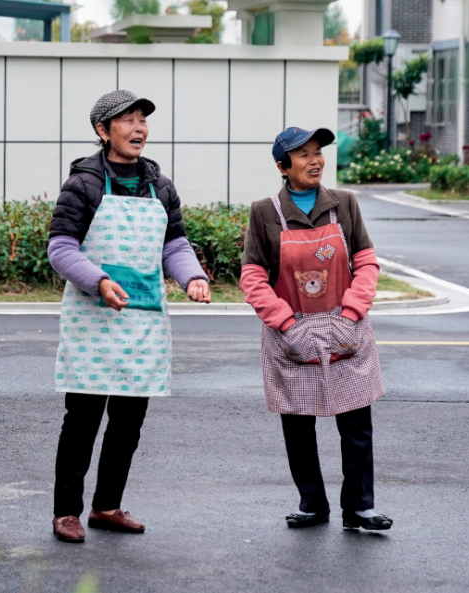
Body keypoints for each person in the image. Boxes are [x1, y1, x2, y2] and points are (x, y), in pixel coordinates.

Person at [47, 90, 211, 543]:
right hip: (92, 321)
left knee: (127, 424)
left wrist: (192, 276)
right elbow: (61, 248)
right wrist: (98, 281)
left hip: (142, 322)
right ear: (103, 130)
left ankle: (106, 506)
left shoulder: (160, 185)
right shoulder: (83, 184)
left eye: (143, 119)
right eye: (128, 120)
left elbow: (174, 243)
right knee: (81, 423)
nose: (139, 128)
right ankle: (66, 511)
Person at [241, 126, 392, 531]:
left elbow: (366, 263)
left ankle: (359, 507)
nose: (315, 160)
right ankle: (312, 504)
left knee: (356, 424)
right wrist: (285, 323)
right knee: (297, 424)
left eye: (318, 152)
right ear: (282, 166)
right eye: (303, 154)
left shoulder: (345, 204)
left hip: (346, 325)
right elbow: (253, 277)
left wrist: (351, 313)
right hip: (290, 332)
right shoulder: (264, 212)